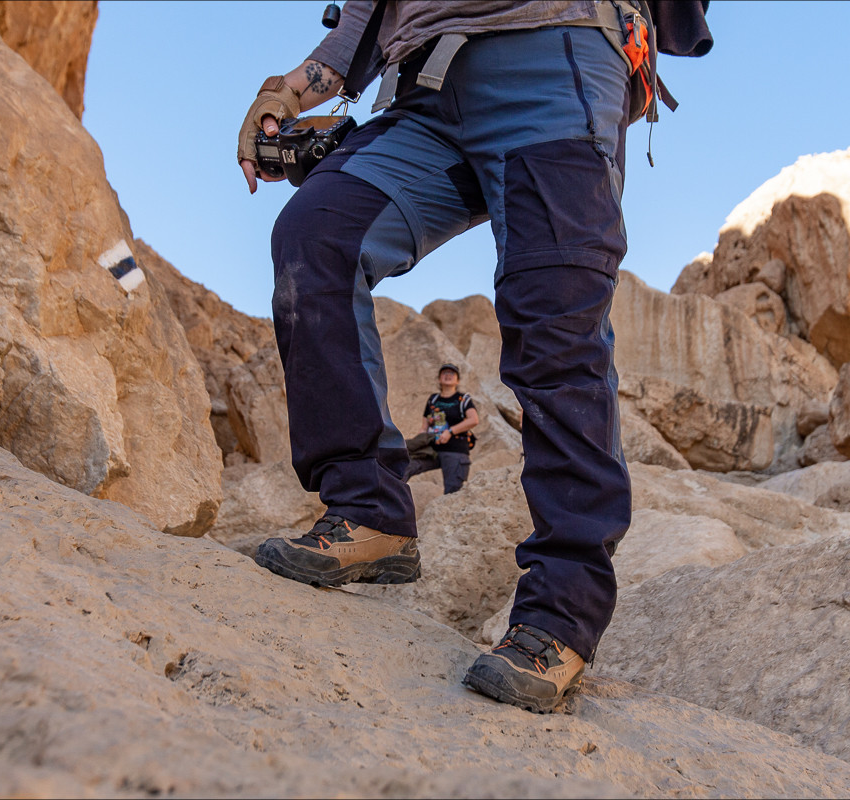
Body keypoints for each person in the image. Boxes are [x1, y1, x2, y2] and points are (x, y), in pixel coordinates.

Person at [240, 1, 712, 713]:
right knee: (317, 236)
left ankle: (560, 618)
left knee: (554, 326)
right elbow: (367, 20)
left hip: (557, 63)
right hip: (426, 95)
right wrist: (286, 91)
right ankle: (369, 510)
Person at [405, 363, 479, 494]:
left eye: (452, 373)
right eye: (444, 373)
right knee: (405, 467)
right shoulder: (433, 399)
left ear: (458, 380)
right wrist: (418, 443)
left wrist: (450, 431)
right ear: (439, 378)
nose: (448, 375)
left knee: (452, 492)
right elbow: (424, 427)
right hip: (431, 449)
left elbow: (473, 420)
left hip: (455, 450)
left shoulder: (463, 399)